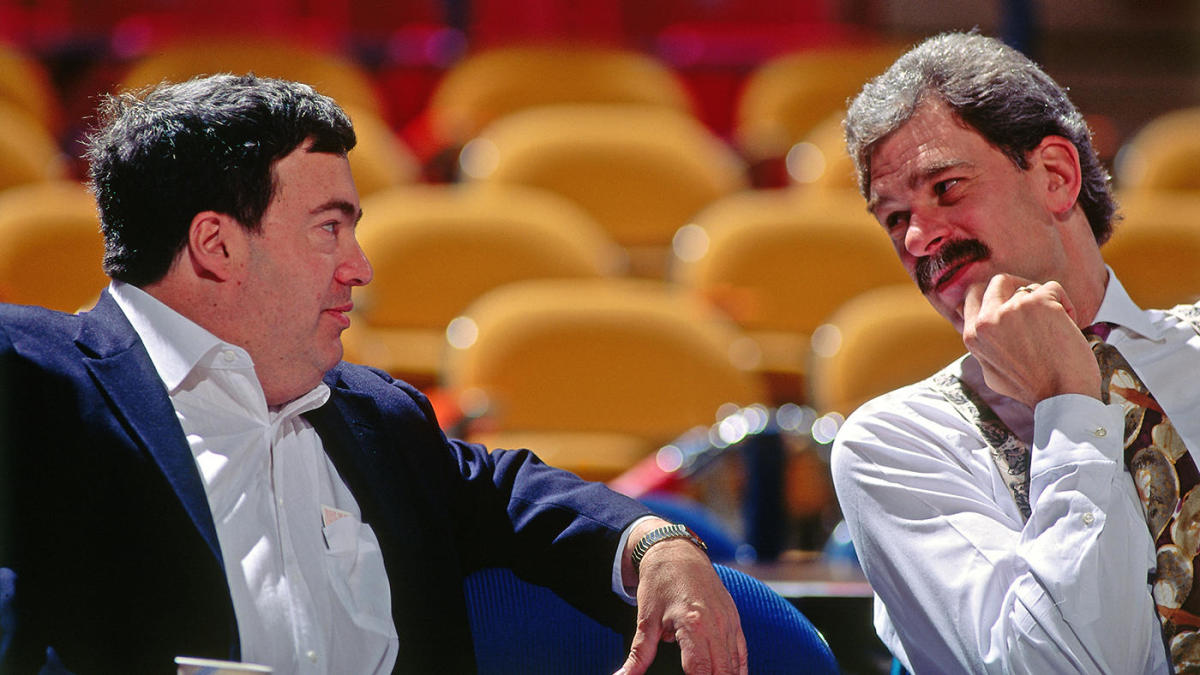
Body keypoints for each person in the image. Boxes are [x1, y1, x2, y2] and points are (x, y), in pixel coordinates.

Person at [0, 73, 747, 675]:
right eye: (329, 228)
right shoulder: (31, 379)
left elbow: (509, 492)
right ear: (216, 245)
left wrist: (656, 542)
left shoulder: (378, 417)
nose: (359, 268)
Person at [831, 31, 1200, 674]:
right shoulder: (896, 445)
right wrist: (1067, 401)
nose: (916, 239)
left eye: (946, 187)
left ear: (1056, 176)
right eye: (894, 218)